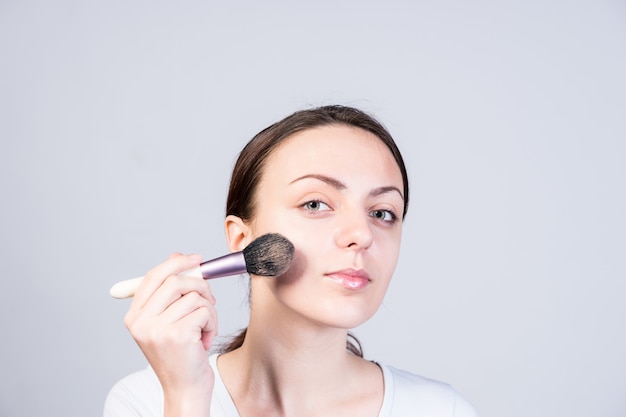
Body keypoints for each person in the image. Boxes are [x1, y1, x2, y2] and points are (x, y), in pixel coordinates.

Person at [104, 105, 479, 417]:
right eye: (315, 204)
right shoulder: (147, 403)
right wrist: (187, 399)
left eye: (382, 213)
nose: (362, 235)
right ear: (241, 238)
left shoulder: (441, 410)